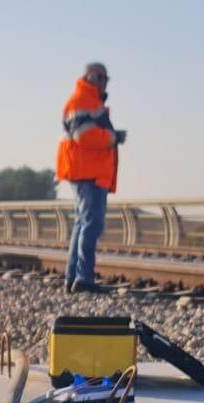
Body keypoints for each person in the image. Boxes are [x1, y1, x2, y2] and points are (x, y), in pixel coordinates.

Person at [56, 62, 125, 293]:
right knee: (91, 224)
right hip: (88, 173)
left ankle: (73, 277)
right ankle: (83, 278)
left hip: (87, 171)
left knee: (82, 223)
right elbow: (83, 135)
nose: (106, 82)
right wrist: (112, 137)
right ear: (93, 77)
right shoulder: (82, 100)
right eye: (104, 77)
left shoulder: (88, 101)